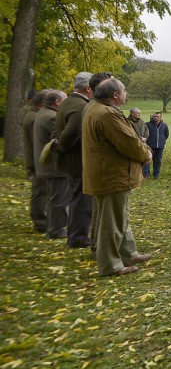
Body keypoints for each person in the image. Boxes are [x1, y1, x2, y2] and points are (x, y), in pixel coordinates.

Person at [82, 78, 152, 277]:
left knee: (120, 217)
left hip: (110, 174)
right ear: (115, 95)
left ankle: (128, 252)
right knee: (112, 221)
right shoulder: (107, 114)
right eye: (124, 91)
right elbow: (128, 142)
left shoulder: (96, 109)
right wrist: (146, 154)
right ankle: (111, 265)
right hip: (111, 175)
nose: (126, 94)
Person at [53, 71, 104, 250]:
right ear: (89, 88)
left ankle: (76, 235)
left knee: (77, 199)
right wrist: (62, 147)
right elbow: (71, 131)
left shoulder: (67, 101)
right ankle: (78, 237)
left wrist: (58, 145)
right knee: (82, 202)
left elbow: (57, 130)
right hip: (78, 161)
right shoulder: (81, 106)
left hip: (71, 160)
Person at [34, 90, 68, 240]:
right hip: (54, 166)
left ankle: (54, 227)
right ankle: (56, 229)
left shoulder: (43, 113)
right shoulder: (52, 117)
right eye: (65, 99)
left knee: (54, 198)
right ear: (57, 102)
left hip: (47, 165)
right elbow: (60, 142)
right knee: (59, 199)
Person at [21, 90, 48, 233]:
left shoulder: (32, 115)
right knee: (40, 191)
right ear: (42, 103)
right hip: (37, 160)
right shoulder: (34, 118)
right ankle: (41, 221)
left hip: (36, 159)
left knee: (41, 190)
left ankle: (42, 220)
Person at [143, 112, 170, 178]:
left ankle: (156, 174)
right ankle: (146, 174)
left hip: (160, 146)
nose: (156, 117)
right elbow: (144, 134)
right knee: (148, 160)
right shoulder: (147, 125)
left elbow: (166, 134)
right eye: (154, 116)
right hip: (150, 146)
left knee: (158, 160)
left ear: (161, 117)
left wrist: (162, 141)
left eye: (157, 116)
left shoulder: (164, 125)